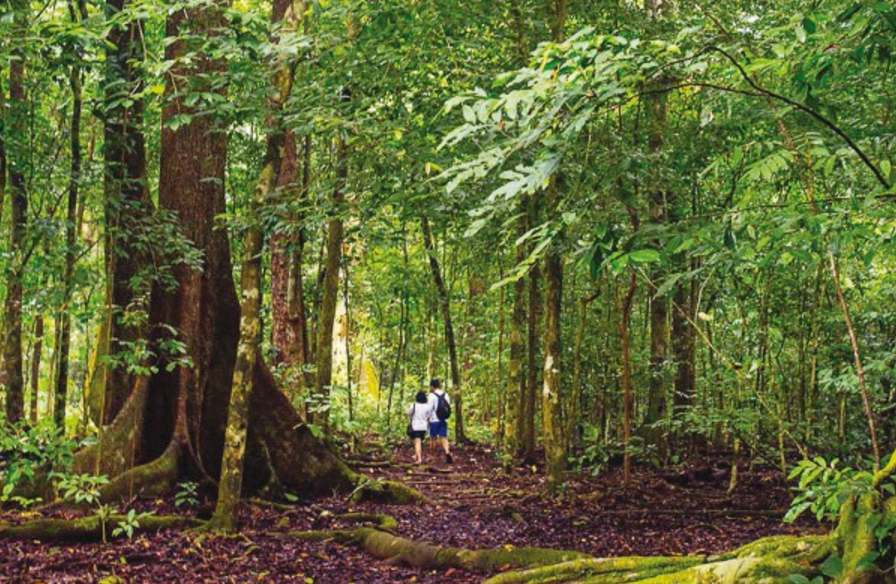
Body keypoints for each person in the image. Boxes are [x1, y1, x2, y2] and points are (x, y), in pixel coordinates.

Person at [427, 379, 453, 464]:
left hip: (434, 420)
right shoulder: (446, 395)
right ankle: (447, 452)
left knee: (433, 438)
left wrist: (427, 419)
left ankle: (432, 456)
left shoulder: (431, 396)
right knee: (443, 437)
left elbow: (430, 409)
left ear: (432, 386)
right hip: (443, 419)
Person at [406, 391, 431, 464]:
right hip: (423, 427)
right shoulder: (427, 407)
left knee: (417, 442)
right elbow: (429, 416)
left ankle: (419, 459)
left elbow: (408, 412)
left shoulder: (414, 405)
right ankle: (416, 455)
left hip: (415, 426)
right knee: (417, 442)